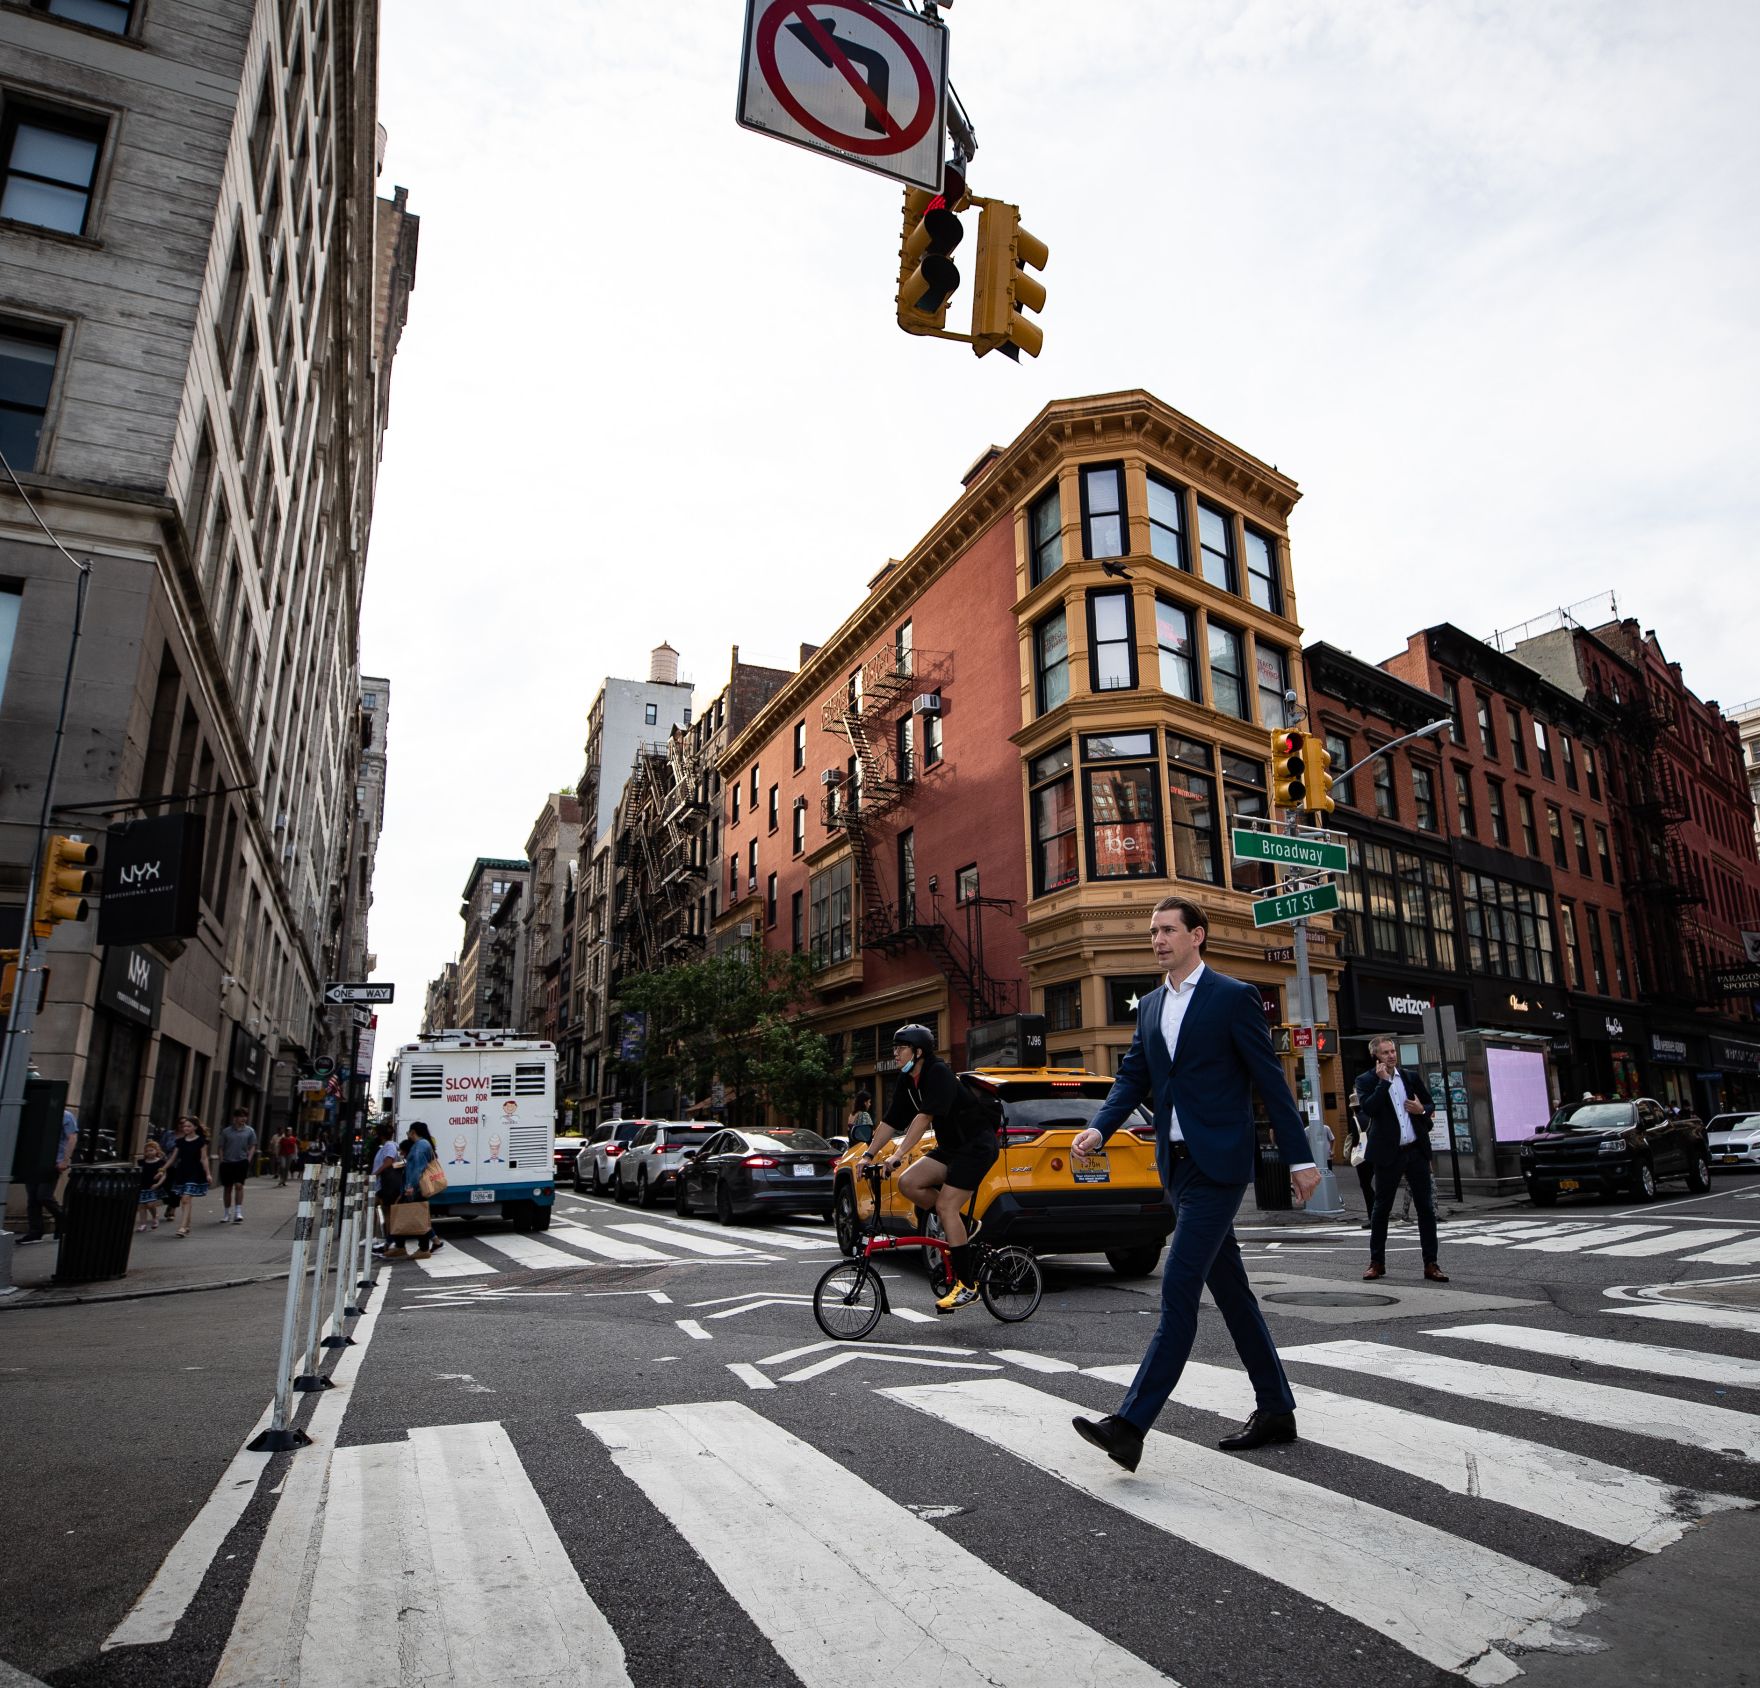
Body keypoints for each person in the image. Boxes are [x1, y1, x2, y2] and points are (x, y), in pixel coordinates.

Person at [1069, 896, 1320, 1473]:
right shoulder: (1152, 1003)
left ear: (1197, 936)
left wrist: (1301, 1159)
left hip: (1219, 1166)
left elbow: (1269, 1084)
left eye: (1167, 930)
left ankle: (1130, 1425)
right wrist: (1101, 1127)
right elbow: (1134, 1074)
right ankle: (1277, 1408)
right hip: (1176, 1167)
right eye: (1152, 931)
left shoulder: (1233, 998)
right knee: (1231, 1291)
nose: (1156, 939)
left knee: (1178, 1287)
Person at [861, 1024, 1000, 1314]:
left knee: (946, 1206)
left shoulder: (937, 1072)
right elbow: (890, 1121)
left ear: (918, 1051)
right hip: (951, 1149)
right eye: (895, 1048)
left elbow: (923, 1118)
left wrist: (898, 1154)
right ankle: (965, 1226)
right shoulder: (907, 1080)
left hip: (975, 1147)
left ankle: (967, 1285)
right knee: (909, 1183)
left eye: (901, 1048)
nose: (896, 1053)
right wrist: (868, 1155)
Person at [1356, 1034, 1448, 1283]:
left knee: (1426, 1209)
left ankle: (1431, 1264)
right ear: (1375, 1056)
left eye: (1393, 1051)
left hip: (1415, 1150)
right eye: (1385, 1052)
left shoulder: (1409, 1077)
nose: (1391, 1056)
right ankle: (1377, 1263)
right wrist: (1383, 1083)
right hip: (1388, 1154)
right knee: (1381, 1209)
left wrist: (1422, 1110)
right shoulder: (1365, 1080)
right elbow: (1369, 1109)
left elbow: (1430, 1104)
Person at [18, 1101, 80, 1245]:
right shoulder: (37, 1116)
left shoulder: (66, 1116)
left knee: (44, 1196)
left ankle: (64, 1221)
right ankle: (35, 1232)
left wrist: (65, 1160)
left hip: (53, 1162)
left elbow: (72, 1137)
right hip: (32, 1162)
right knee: (33, 1198)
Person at [385, 1121, 445, 1261]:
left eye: (408, 1132)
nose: (408, 1135)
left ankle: (423, 1248)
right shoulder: (423, 1144)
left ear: (413, 1132)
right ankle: (400, 1246)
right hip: (414, 1187)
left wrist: (410, 1187)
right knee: (406, 1214)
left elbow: (417, 1168)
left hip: (415, 1188)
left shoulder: (420, 1146)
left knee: (416, 1215)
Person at [156, 1116, 212, 1238]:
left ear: (195, 1127)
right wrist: (162, 1170)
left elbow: (204, 1158)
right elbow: (172, 1158)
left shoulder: (201, 1141)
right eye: (184, 1126)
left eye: (189, 1126)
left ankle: (182, 1227)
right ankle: (186, 1226)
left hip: (195, 1172)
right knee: (185, 1200)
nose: (185, 1128)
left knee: (186, 1198)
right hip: (182, 1172)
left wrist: (208, 1173)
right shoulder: (180, 1142)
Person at [217, 1108, 257, 1224]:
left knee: (239, 1185)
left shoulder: (250, 1131)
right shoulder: (226, 1131)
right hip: (227, 1162)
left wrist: (248, 1159)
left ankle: (238, 1212)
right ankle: (226, 1213)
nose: (243, 1118)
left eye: (245, 1116)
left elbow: (253, 1145)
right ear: (235, 1118)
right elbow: (221, 1147)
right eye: (241, 1116)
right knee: (228, 1188)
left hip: (241, 1161)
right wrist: (221, 1160)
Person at [368, 1120, 402, 1255]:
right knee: (372, 1207)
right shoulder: (387, 1146)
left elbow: (388, 1162)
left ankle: (387, 1238)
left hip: (385, 1184)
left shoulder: (389, 1146)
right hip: (382, 1183)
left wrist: (374, 1175)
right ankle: (379, 1237)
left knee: (384, 1211)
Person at [1344, 1100, 1376, 1227]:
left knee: (1366, 1185)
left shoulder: (1355, 1119)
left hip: (1362, 1156)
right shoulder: (1372, 1116)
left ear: (1353, 1107)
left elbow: (1355, 1140)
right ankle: (1380, 1213)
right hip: (1375, 1152)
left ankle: (1372, 1216)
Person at [136, 1137, 168, 1231]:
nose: (149, 1152)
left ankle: (155, 1216)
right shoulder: (141, 1162)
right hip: (143, 1186)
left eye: (151, 1150)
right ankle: (143, 1224)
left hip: (153, 1186)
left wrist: (158, 1184)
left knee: (150, 1205)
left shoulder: (160, 1162)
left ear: (156, 1150)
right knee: (141, 1206)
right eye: (147, 1151)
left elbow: (164, 1175)